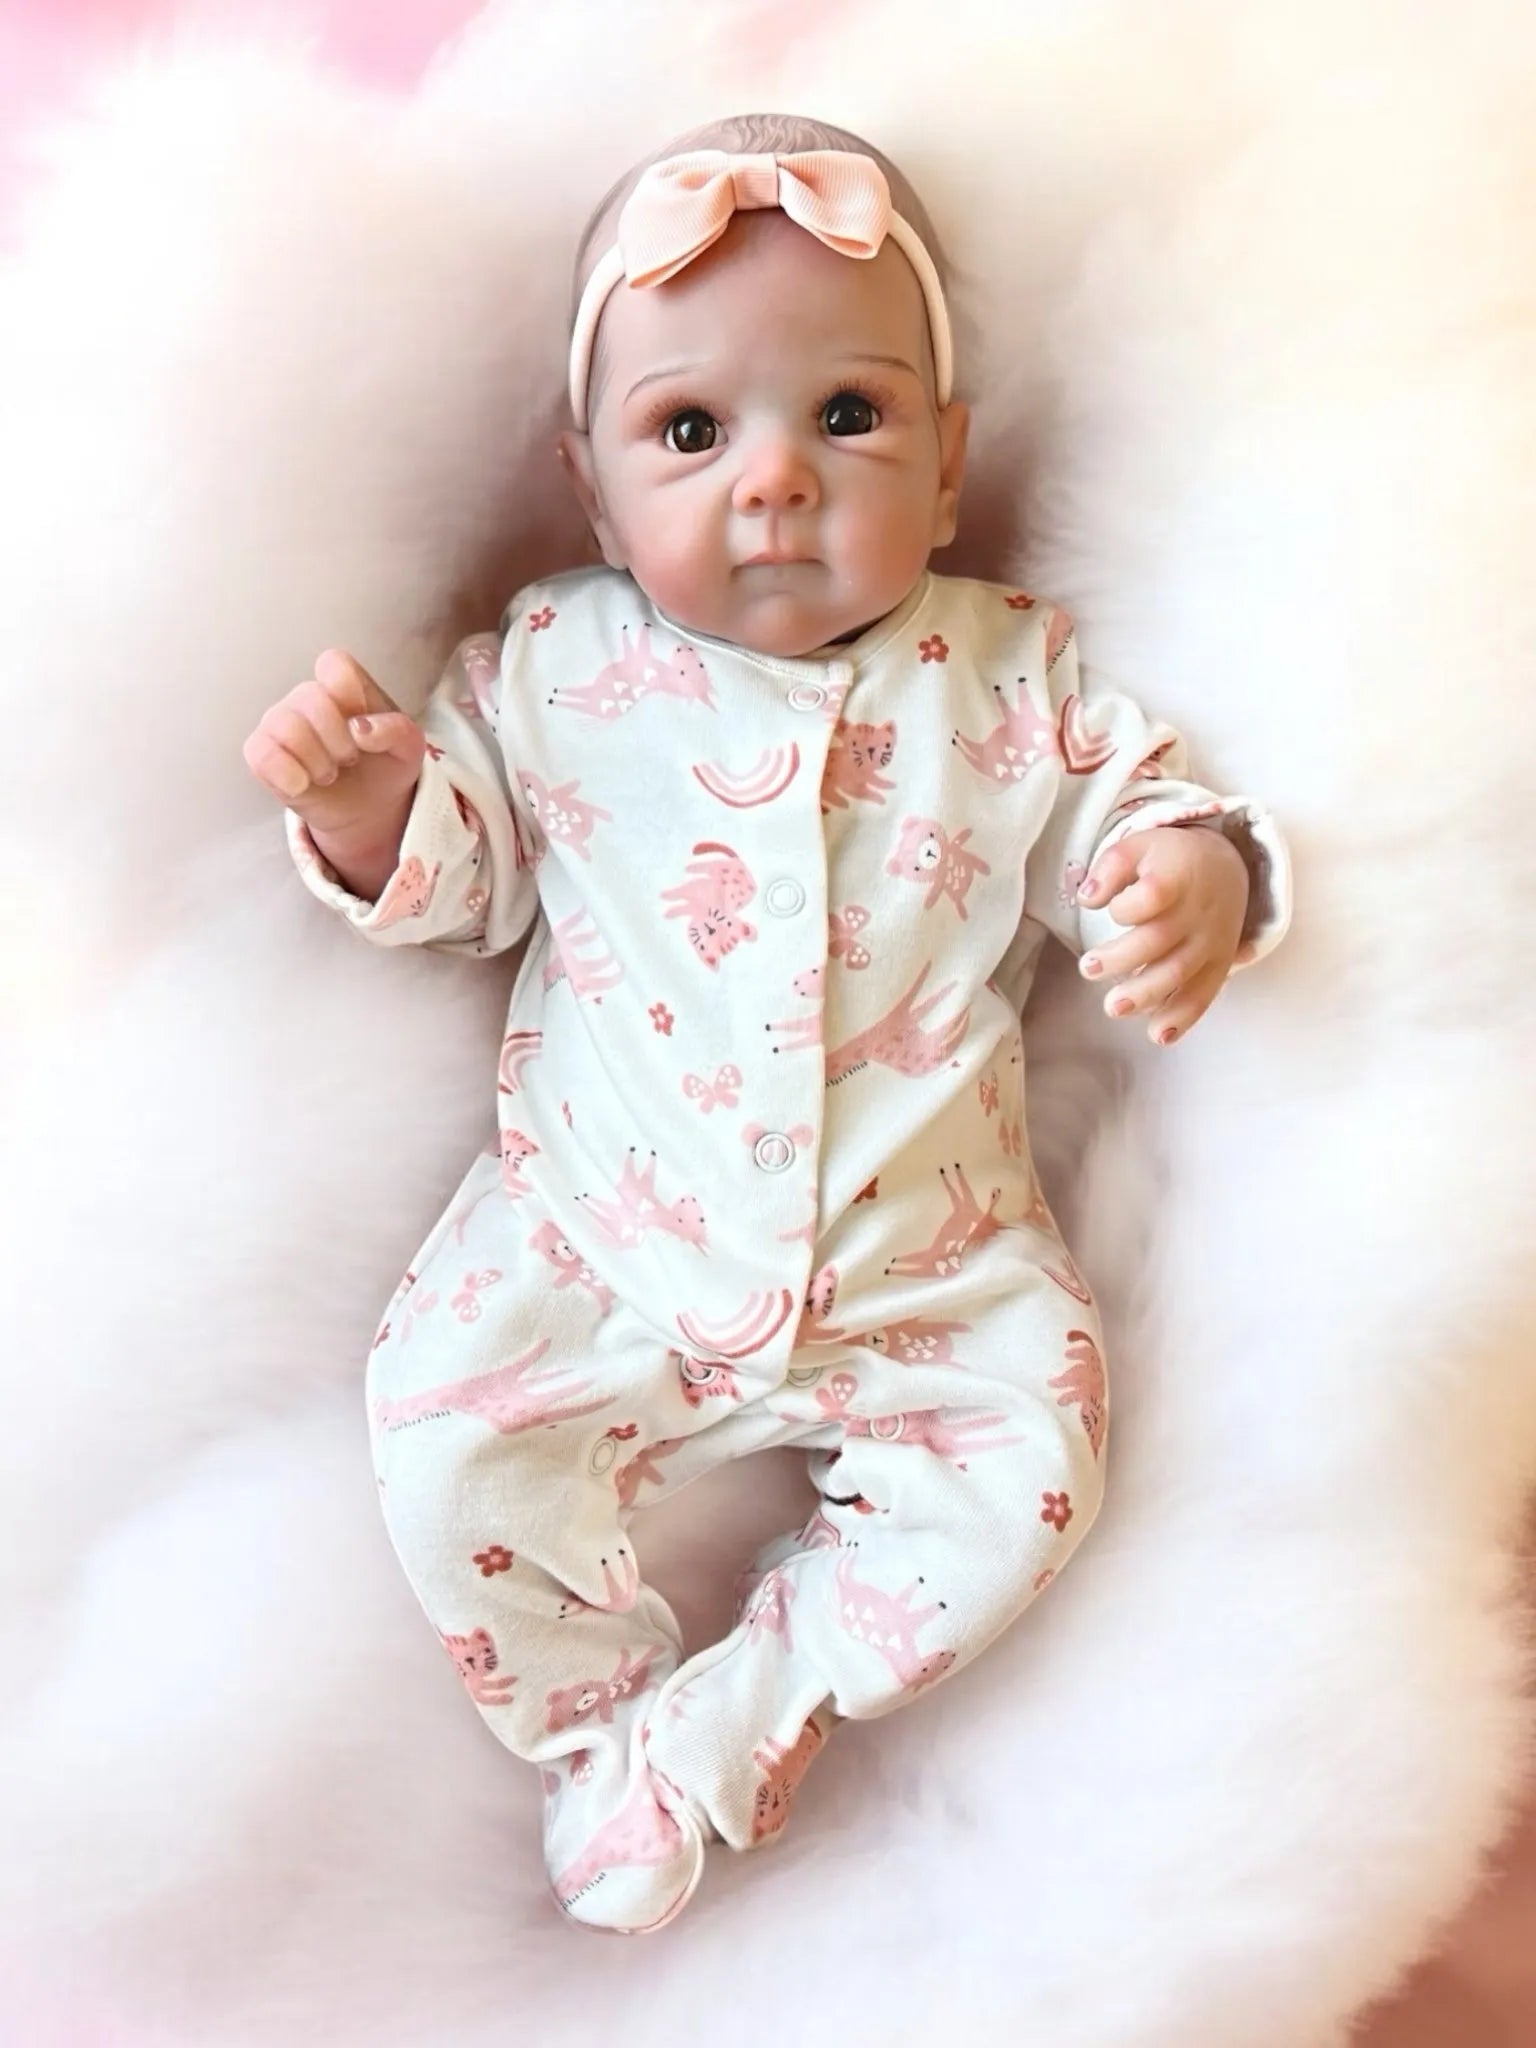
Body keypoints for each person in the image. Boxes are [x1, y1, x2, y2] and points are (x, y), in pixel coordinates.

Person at [243, 110, 1291, 1935]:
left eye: (850, 416)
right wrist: (368, 808)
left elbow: (1130, 802)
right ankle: (599, 1731)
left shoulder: (1008, 674)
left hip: (925, 1268)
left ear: (949, 469)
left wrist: (1187, 872)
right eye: (691, 433)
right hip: (596, 1237)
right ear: (592, 492)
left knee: (1034, 1467)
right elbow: (466, 880)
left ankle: (747, 1709)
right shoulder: (554, 669)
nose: (778, 481)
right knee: (442, 1438)